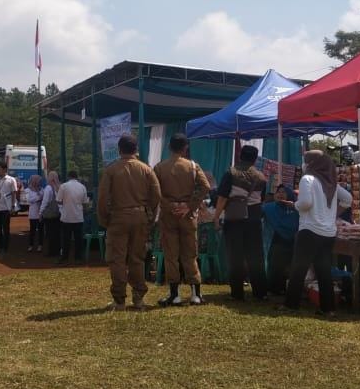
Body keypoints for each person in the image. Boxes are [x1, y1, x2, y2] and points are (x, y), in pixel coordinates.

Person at [283, 150, 353, 316]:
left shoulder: (308, 179)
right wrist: (332, 214)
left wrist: (294, 205)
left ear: (311, 163)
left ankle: (290, 305)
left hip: (309, 230)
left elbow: (306, 203)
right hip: (328, 233)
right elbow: (348, 199)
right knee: (324, 271)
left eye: (306, 161)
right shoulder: (331, 183)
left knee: (299, 269)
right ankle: (328, 309)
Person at [96, 134, 161, 311]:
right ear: (135, 149)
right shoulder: (146, 170)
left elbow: (102, 198)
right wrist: (148, 215)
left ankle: (119, 301)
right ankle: (139, 297)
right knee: (137, 258)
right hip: (140, 218)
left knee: (117, 260)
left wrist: (104, 219)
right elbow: (156, 195)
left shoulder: (111, 170)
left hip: (117, 218)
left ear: (119, 149)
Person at [153, 133, 210, 306]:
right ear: (185, 148)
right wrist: (190, 206)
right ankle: (195, 294)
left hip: (168, 215)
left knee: (171, 254)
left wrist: (169, 206)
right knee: (190, 253)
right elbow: (205, 186)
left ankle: (175, 295)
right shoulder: (193, 166)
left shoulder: (160, 167)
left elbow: (155, 191)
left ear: (169, 147)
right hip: (188, 215)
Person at [212, 145, 269, 302]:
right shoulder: (261, 177)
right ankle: (260, 292)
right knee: (256, 256)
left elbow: (222, 197)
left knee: (235, 256)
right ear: (255, 158)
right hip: (254, 219)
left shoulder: (231, 172)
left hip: (235, 219)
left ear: (240, 156)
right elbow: (261, 199)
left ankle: (237, 293)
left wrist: (216, 217)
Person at [263, 185, 299, 296]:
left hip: (295, 242)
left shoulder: (296, 209)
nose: (280, 194)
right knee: (277, 256)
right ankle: (273, 288)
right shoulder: (269, 208)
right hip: (276, 241)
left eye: (284, 192)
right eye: (278, 192)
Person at [56, 170, 89, 265]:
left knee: (66, 239)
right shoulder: (82, 187)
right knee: (78, 239)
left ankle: (65, 257)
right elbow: (85, 203)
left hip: (66, 217)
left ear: (68, 176)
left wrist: (65, 203)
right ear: (77, 177)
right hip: (78, 217)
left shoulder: (63, 186)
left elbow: (58, 200)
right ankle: (78, 257)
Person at [0, 163, 18, 255]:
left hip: (6, 208)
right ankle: (0, 246)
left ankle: (5, 247)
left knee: (5, 228)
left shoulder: (11, 180)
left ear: (5, 169)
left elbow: (14, 193)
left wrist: (13, 206)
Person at [41, 171, 62, 256]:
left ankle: (51, 252)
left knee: (50, 233)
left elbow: (45, 202)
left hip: (50, 214)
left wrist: (41, 212)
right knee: (57, 233)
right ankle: (58, 251)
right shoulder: (60, 187)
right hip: (59, 213)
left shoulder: (48, 188)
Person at [25, 175, 44, 252]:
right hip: (33, 213)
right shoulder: (27, 190)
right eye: (36, 181)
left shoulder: (42, 189)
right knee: (32, 230)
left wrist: (38, 197)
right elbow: (29, 200)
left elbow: (44, 198)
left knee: (41, 230)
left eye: (38, 181)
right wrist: (39, 197)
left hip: (41, 213)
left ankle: (40, 245)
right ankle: (31, 245)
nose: (37, 182)